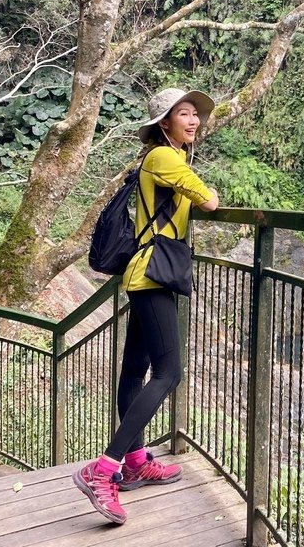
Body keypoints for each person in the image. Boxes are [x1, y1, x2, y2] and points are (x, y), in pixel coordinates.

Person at [73, 87, 220, 525]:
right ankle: (104, 469)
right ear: (164, 122)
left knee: (135, 371)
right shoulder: (165, 158)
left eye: (196, 114)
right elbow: (209, 200)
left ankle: (136, 459)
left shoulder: (164, 158)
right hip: (153, 276)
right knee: (169, 372)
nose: (193, 121)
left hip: (145, 273)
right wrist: (201, 188)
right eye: (184, 113)